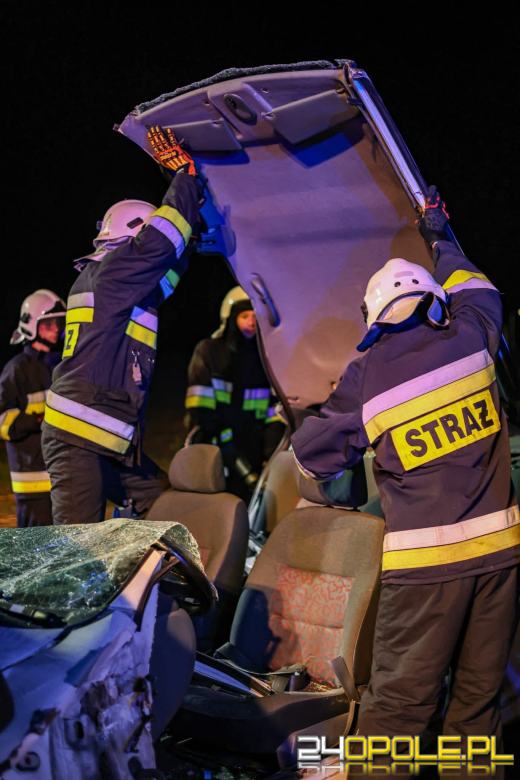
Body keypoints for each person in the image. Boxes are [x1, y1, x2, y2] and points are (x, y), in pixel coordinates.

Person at [291, 186, 520, 745]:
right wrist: (437, 229)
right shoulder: (472, 335)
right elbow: (478, 286)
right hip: (500, 560)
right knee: (477, 706)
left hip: (424, 575)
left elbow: (311, 455)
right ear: (433, 302)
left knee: (397, 709)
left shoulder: (367, 374)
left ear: (373, 319)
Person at [41, 127, 202, 524]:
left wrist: (191, 214)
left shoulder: (112, 282)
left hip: (107, 436)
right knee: (79, 552)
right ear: (134, 235)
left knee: (161, 500)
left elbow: (166, 267)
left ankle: (155, 585)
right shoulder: (113, 273)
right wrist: (184, 177)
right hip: (81, 436)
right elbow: (161, 244)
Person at [186, 286, 284, 500]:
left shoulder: (264, 358)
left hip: (253, 445)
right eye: (244, 315)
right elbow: (199, 405)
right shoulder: (209, 351)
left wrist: (270, 450)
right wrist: (221, 440)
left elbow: (272, 409)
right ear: (230, 318)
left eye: (255, 315)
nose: (251, 321)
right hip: (216, 442)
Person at [0, 290, 65, 526]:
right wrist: (39, 420)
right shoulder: (16, 370)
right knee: (34, 553)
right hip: (32, 481)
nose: (56, 329)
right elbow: (3, 423)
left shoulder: (61, 365)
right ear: (31, 325)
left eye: (58, 322)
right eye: (49, 324)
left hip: (60, 476)